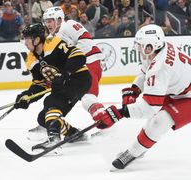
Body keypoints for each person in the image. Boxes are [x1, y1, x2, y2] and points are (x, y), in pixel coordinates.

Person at [92, 24, 191, 170]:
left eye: (140, 45)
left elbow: (150, 108)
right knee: (156, 121)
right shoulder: (157, 50)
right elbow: (145, 71)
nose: (137, 48)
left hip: (186, 95)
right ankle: (140, 148)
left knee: (160, 121)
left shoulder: (160, 68)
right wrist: (134, 89)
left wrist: (119, 113)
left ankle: (133, 153)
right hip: (180, 91)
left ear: (150, 46)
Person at [28, 6, 105, 139]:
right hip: (76, 69)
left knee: (87, 97)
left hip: (89, 62)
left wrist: (69, 64)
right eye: (46, 21)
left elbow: (86, 42)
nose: (47, 24)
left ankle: (106, 123)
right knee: (60, 96)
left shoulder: (69, 25)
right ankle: (49, 122)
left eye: (50, 20)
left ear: (59, 19)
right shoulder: (51, 38)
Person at [14, 23, 92, 152]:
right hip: (60, 86)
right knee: (43, 118)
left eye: (27, 39)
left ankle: (54, 138)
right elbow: (40, 84)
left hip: (79, 79)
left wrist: (65, 73)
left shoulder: (54, 44)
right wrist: (27, 96)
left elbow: (79, 56)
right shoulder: (31, 59)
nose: (24, 42)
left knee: (52, 102)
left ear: (37, 40)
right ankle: (74, 134)